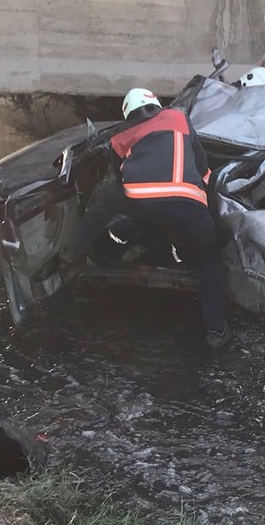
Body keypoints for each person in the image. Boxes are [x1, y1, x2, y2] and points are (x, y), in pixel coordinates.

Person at [70, 88, 230, 348]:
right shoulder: (179, 118)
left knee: (117, 217)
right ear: (156, 103)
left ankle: (89, 255)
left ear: (128, 114)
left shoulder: (120, 135)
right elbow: (202, 165)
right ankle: (216, 331)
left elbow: (117, 177)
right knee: (209, 260)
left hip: (142, 203)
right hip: (187, 204)